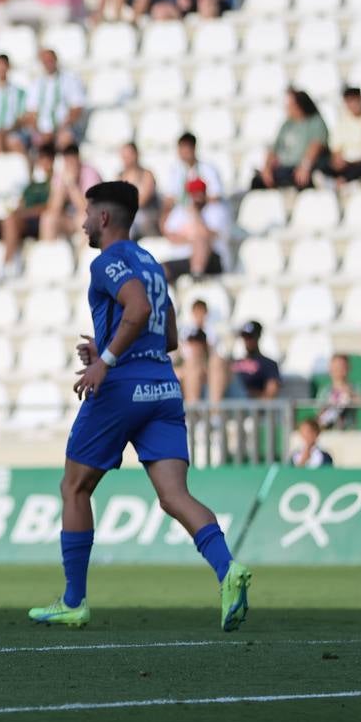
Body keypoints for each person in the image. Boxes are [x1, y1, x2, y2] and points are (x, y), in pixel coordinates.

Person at [29, 181, 251, 632]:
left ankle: (74, 600)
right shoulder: (151, 263)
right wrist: (108, 346)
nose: (84, 221)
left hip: (122, 391)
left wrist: (105, 362)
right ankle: (228, 569)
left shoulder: (106, 261)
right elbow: (167, 335)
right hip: (163, 388)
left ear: (104, 218)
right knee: (175, 495)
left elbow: (135, 307)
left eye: (88, 212)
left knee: (75, 488)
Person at [0, 142, 54, 278]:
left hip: (34, 222)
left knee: (10, 219)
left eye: (46, 159)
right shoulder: (32, 183)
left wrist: (22, 212)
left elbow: (49, 206)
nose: (43, 163)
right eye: (41, 159)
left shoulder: (54, 182)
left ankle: (7, 265)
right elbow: (22, 202)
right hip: (20, 217)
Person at [252, 89, 328, 190]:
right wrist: (267, 168)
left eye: (289, 105)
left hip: (301, 168)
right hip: (284, 168)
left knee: (306, 180)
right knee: (257, 181)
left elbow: (316, 145)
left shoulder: (315, 122)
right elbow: (274, 148)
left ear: (299, 105)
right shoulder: (287, 124)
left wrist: (305, 167)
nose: (286, 108)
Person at [160, 178, 230, 281]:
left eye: (199, 193)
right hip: (185, 258)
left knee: (200, 242)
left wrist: (196, 215)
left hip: (212, 259)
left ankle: (197, 276)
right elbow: (170, 235)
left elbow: (207, 235)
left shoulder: (216, 210)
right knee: (161, 269)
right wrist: (191, 239)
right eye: (194, 194)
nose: (197, 197)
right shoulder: (180, 211)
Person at [22, 49, 86, 149]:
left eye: (50, 60)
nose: (48, 64)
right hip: (42, 130)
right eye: (45, 61)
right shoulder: (36, 84)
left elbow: (76, 108)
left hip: (63, 128)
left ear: (56, 60)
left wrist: (61, 128)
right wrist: (39, 130)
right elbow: (31, 112)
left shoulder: (70, 80)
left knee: (65, 138)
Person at [40, 144, 102, 241]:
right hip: (69, 220)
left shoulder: (90, 173)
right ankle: (48, 253)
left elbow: (87, 209)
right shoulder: (60, 175)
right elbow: (53, 208)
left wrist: (72, 185)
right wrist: (62, 188)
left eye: (72, 162)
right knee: (48, 219)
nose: (70, 166)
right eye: (67, 162)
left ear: (78, 160)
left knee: (83, 218)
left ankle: (86, 254)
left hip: (91, 219)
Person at [176, 299, 229, 405]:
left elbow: (216, 354)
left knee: (214, 365)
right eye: (197, 311)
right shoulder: (184, 331)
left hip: (205, 365)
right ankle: (193, 412)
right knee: (192, 366)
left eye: (201, 311)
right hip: (189, 365)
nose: (199, 315)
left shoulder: (212, 331)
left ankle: (214, 413)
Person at [320, 87, 361, 185]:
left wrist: (359, 160)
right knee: (322, 161)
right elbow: (336, 147)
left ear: (360, 99)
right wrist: (337, 158)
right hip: (346, 162)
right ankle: (343, 179)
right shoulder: (341, 122)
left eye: (354, 100)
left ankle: (343, 180)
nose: (352, 105)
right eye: (349, 102)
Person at [219, 321, 280, 401]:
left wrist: (251, 394)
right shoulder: (234, 362)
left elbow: (269, 395)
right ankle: (214, 411)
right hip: (230, 400)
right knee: (219, 363)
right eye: (245, 337)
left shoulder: (268, 364)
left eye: (250, 336)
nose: (247, 340)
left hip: (248, 403)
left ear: (258, 337)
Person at [118, 142, 160, 239]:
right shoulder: (119, 176)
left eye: (129, 154)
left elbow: (142, 201)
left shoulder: (147, 175)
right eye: (124, 155)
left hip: (147, 218)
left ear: (136, 154)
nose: (126, 158)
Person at [317, 354, 361, 431]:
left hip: (350, 432)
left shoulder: (355, 388)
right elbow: (319, 414)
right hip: (329, 432)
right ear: (330, 369)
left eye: (342, 367)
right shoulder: (325, 391)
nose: (339, 370)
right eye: (336, 367)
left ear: (348, 368)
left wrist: (352, 395)